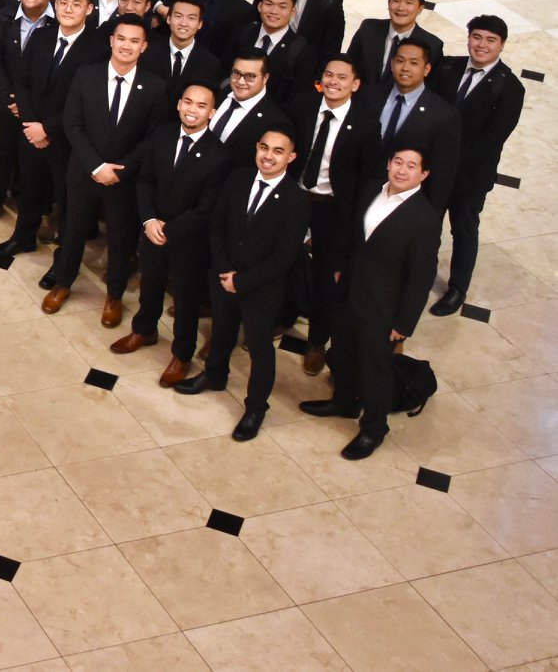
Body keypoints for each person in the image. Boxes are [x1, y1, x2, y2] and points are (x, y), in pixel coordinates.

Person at [303, 147, 441, 460]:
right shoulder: (371, 190)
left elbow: (421, 277)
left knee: (375, 370)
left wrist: (404, 323)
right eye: (397, 162)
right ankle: (344, 402)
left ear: (424, 174)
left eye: (411, 166)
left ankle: (374, 429)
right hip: (349, 291)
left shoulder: (424, 219)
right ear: (389, 163)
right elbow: (355, 234)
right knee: (343, 351)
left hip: (383, 308)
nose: (402, 170)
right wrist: (341, 266)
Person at [176, 128, 311, 444]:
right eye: (264, 147)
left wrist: (242, 280)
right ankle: (214, 375)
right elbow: (218, 224)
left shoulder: (296, 200)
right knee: (221, 331)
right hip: (224, 276)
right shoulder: (238, 178)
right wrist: (225, 270)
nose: (268, 156)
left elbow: (283, 257)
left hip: (261, 288)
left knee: (260, 348)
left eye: (278, 151)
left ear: (291, 157)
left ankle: (256, 408)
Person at [40, 13, 163, 324]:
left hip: (123, 179)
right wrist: (96, 165)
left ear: (144, 46)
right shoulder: (86, 75)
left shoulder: (155, 87)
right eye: (121, 38)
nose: (126, 46)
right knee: (72, 231)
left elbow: (152, 138)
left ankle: (114, 295)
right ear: (111, 40)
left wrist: (121, 169)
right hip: (84, 171)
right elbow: (72, 123)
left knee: (120, 239)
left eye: (134, 41)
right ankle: (62, 283)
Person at [120, 82, 226, 385]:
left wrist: (170, 229)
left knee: (186, 298)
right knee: (150, 283)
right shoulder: (162, 135)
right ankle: (144, 330)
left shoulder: (219, 155)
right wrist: (149, 220)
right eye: (188, 102)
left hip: (188, 240)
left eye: (201, 105)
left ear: (212, 112)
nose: (193, 110)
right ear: (179, 104)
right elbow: (145, 180)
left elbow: (206, 208)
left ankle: (182, 354)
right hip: (153, 229)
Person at [428, 16, 523, 316]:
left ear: (502, 45)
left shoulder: (510, 87)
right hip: (433, 168)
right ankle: (422, 272)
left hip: (470, 175)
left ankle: (457, 288)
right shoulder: (448, 67)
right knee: (428, 224)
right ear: (468, 38)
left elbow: (492, 139)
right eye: (477, 37)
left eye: (490, 40)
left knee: (464, 230)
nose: (482, 45)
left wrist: (450, 160)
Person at [288, 55, 374, 377]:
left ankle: (316, 341)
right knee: (283, 260)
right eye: (328, 74)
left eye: (341, 77)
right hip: (296, 198)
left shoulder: (365, 124)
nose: (333, 81)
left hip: (332, 208)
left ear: (355, 84)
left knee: (325, 277)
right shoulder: (303, 106)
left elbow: (366, 179)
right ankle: (281, 317)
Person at [0, 0, 94, 257]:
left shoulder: (96, 47)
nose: (68, 9)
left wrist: (47, 129)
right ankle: (23, 238)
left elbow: (86, 102)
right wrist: (31, 124)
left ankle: (64, 256)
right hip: (31, 130)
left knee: (66, 198)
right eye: (63, 2)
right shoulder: (41, 35)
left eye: (76, 4)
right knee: (29, 187)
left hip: (66, 138)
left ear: (89, 9)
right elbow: (22, 82)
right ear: (56, 4)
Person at [354, 39, 460, 204]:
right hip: (355, 194)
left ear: (426, 69)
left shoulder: (443, 115)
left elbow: (441, 175)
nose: (405, 68)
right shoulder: (367, 96)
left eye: (414, 63)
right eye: (400, 61)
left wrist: (429, 214)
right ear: (392, 64)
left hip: (402, 204)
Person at [346, 0, 443, 88]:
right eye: (396, 1)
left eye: (409, 2)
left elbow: (429, 88)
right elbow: (348, 66)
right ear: (389, 3)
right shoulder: (369, 28)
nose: (401, 7)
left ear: (420, 9)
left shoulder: (432, 45)